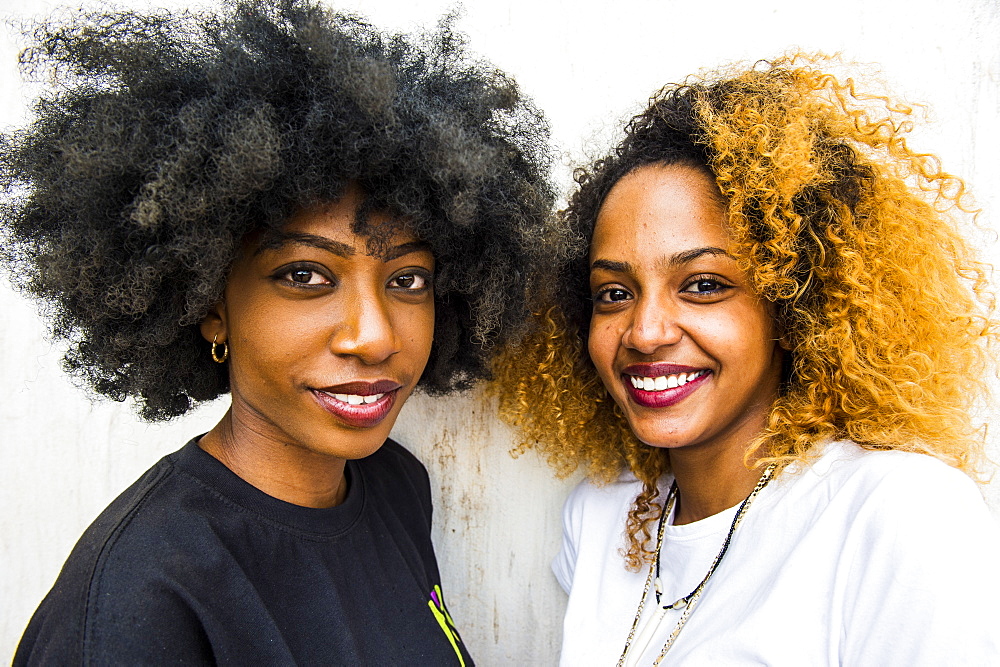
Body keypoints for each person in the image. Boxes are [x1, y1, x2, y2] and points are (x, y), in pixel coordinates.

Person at [1, 1, 558, 663]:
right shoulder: (137, 603)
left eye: (408, 279)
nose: (374, 336)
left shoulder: (395, 486)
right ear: (212, 301)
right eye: (305, 275)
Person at [495, 54, 1000, 665]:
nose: (646, 332)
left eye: (704, 285)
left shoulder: (899, 513)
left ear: (792, 306)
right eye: (615, 293)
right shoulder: (602, 518)